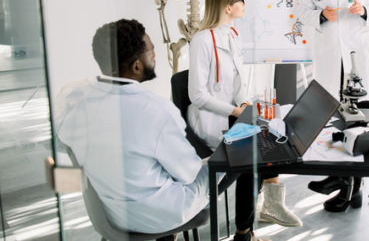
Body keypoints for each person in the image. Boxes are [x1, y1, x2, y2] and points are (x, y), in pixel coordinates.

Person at [54, 19, 267, 241]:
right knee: (241, 150)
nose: (154, 55)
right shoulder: (155, 110)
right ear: (137, 66)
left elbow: (63, 145)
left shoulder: (71, 96)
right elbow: (189, 174)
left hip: (107, 210)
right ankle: (244, 235)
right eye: (151, 50)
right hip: (157, 214)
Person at [187, 0, 301, 228]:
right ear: (228, 7)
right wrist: (237, 111)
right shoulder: (202, 41)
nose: (244, 4)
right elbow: (198, 96)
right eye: (240, 0)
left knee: (274, 133)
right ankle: (244, 232)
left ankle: (271, 204)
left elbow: (236, 82)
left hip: (231, 112)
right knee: (255, 156)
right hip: (210, 121)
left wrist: (245, 103)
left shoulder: (232, 34)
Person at [298, 0, 369, 211]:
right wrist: (320, 15)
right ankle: (337, 176)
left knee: (355, 123)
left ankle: (352, 189)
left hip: (355, 59)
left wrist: (366, 11)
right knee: (333, 119)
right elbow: (301, 13)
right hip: (327, 59)